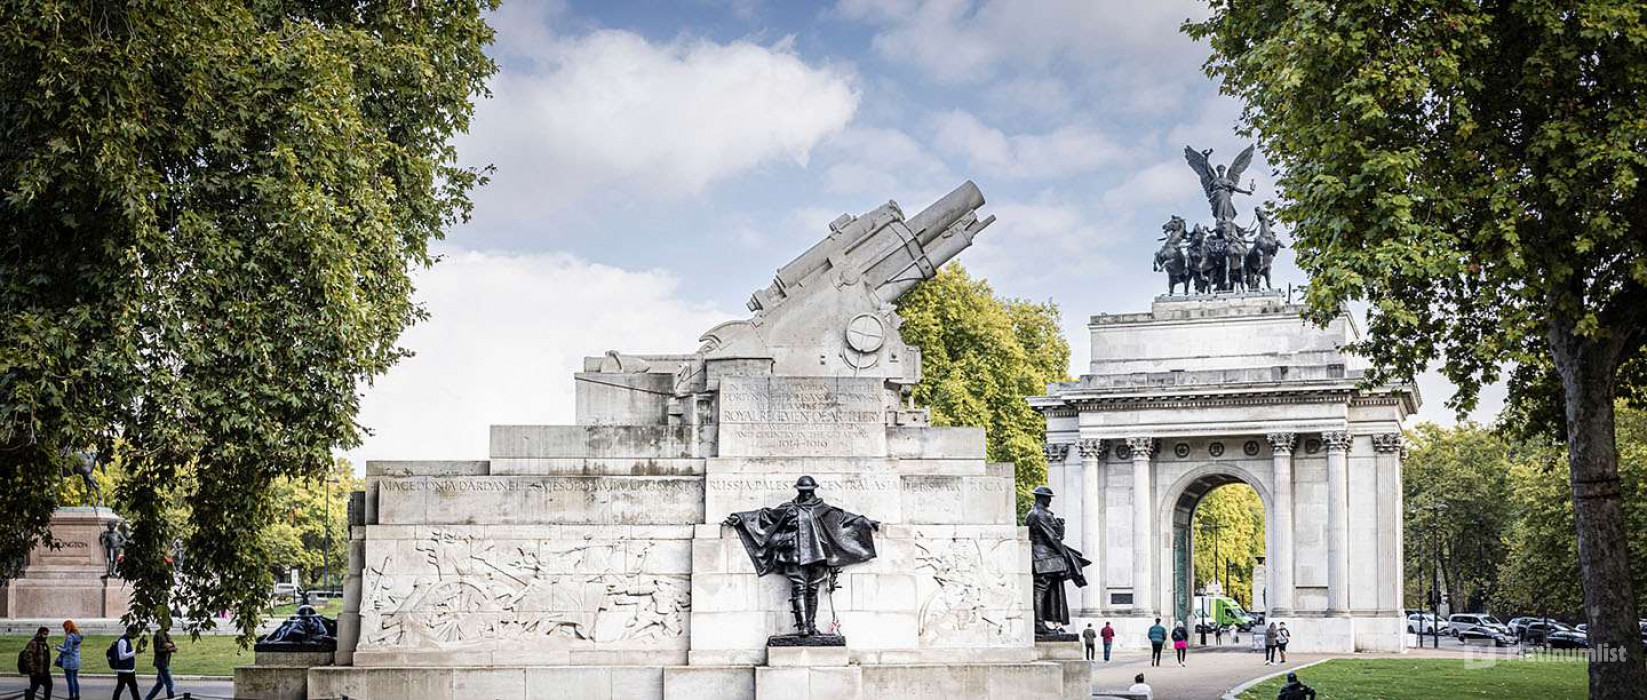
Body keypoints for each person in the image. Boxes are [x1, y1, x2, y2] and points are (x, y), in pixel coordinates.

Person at [144, 627, 177, 700]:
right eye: (168, 625)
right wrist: (168, 649)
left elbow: (173, 647)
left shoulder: (167, 636)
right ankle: (171, 698)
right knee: (170, 684)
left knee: (159, 684)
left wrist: (171, 647)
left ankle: (147, 699)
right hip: (161, 663)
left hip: (166, 662)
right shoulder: (157, 636)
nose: (169, 627)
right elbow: (157, 650)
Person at [110, 625, 141, 700]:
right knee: (121, 687)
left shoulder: (126, 640)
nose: (135, 636)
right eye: (134, 634)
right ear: (129, 632)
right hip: (124, 670)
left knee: (133, 688)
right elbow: (122, 656)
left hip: (129, 669)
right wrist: (135, 652)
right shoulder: (122, 641)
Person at [22, 625, 53, 700]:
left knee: (49, 685)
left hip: (44, 671)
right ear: (39, 634)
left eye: (47, 634)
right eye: (44, 634)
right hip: (36, 671)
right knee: (34, 687)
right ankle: (29, 696)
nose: (46, 636)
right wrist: (32, 670)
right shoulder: (33, 643)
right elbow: (28, 658)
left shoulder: (44, 644)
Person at [57, 620, 82, 700]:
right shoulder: (77, 635)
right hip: (76, 660)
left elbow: (68, 650)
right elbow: (72, 647)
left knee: (70, 680)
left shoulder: (69, 637)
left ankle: (71, 696)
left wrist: (58, 648)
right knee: (75, 679)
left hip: (69, 661)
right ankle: (77, 695)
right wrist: (62, 646)